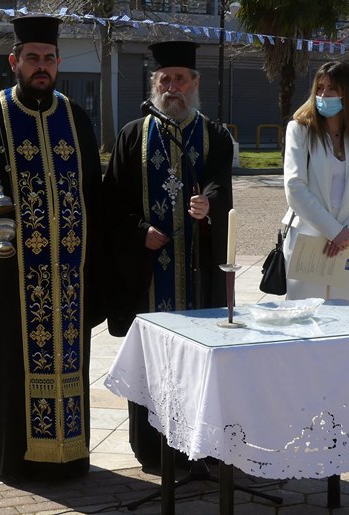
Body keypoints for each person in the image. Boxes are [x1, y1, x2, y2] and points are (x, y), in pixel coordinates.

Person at [0, 15, 105, 482]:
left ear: (58, 62)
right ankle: (11, 459)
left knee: (69, 362)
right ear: (14, 61)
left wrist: (93, 259)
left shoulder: (74, 117)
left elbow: (93, 193)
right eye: (32, 57)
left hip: (68, 272)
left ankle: (68, 455)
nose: (42, 66)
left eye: (49, 58)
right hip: (13, 270)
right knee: (9, 363)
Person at [102, 40, 234, 471]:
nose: (173, 87)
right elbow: (111, 202)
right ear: (154, 83)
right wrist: (140, 232)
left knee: (200, 359)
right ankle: (153, 449)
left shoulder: (214, 135)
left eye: (181, 79)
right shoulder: (132, 135)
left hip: (198, 273)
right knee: (153, 360)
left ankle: (200, 447)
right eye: (165, 79)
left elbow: (220, 184)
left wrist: (209, 204)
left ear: (195, 83)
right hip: (148, 275)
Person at [283, 61, 349, 305]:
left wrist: (348, 232)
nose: (323, 95)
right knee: (305, 313)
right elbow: (295, 186)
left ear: (348, 93)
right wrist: (333, 231)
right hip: (310, 236)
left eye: (332, 89)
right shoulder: (299, 130)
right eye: (320, 88)